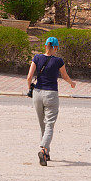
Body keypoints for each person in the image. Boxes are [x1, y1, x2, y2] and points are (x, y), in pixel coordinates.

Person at [26, 36, 76, 166]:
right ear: (54, 47)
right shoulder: (58, 61)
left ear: (45, 46)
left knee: (42, 124)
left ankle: (46, 152)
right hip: (51, 94)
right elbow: (64, 76)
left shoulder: (36, 58)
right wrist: (72, 83)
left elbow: (29, 77)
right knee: (49, 124)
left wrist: (30, 88)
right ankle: (43, 149)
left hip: (37, 94)